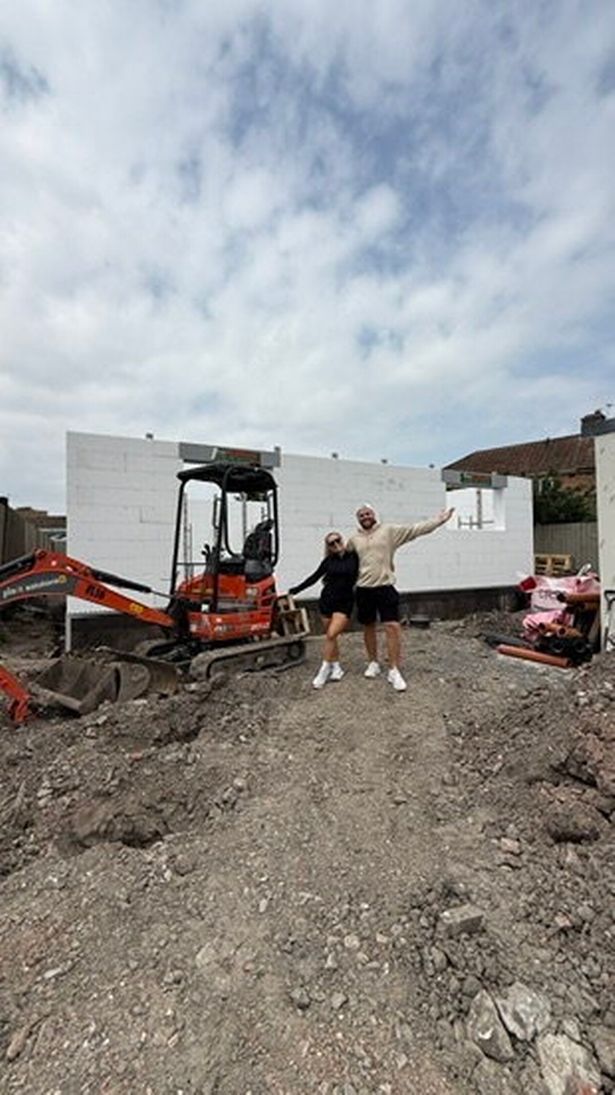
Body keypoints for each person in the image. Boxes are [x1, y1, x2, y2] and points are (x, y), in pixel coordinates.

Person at [347, 503, 455, 692]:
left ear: (374, 515)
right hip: (363, 589)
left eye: (368, 513)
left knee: (393, 627)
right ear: (358, 519)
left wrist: (439, 521)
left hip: (385, 587)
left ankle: (394, 670)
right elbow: (343, 560)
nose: (365, 516)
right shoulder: (353, 540)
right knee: (368, 626)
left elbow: (415, 530)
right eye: (361, 515)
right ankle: (373, 662)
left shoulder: (389, 531)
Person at [289, 533, 358, 689]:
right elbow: (314, 578)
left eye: (337, 540)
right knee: (331, 637)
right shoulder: (328, 561)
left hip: (345, 602)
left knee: (331, 634)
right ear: (328, 547)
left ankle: (324, 669)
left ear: (342, 540)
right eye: (331, 543)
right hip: (327, 601)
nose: (335, 544)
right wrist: (295, 590)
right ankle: (336, 667)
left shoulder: (354, 557)